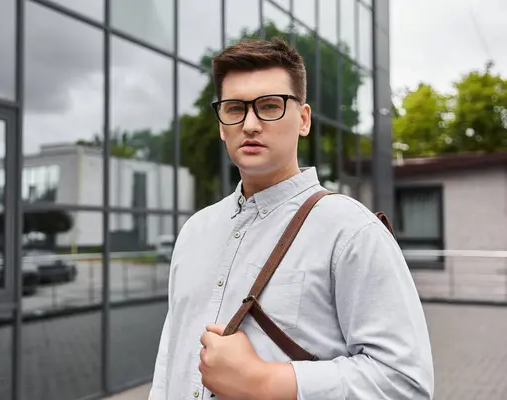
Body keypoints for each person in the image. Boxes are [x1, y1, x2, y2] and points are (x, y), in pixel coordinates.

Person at [149, 37, 434, 400]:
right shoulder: (195, 231)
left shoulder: (351, 230)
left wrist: (268, 383)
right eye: (235, 108)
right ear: (221, 124)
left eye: (269, 106)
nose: (250, 124)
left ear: (303, 119)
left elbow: (405, 383)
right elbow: (170, 359)